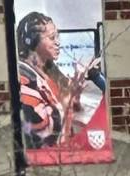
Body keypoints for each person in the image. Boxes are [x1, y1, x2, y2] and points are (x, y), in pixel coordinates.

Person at [16, 13, 101, 156]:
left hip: (66, 153)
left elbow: (76, 107)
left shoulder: (51, 72)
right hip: (47, 159)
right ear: (32, 42)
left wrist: (79, 89)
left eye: (57, 37)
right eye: (52, 38)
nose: (58, 42)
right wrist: (67, 102)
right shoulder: (24, 81)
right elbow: (42, 132)